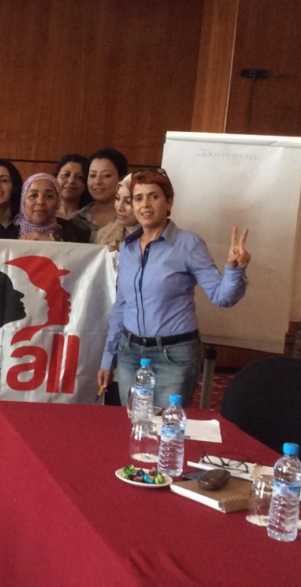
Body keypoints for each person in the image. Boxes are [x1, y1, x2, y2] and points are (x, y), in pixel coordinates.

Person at [97, 170, 251, 408]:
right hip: (129, 353)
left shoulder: (188, 244)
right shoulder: (127, 248)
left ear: (168, 202)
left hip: (173, 356)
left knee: (166, 428)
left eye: (154, 197)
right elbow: (121, 306)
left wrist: (234, 269)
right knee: (133, 423)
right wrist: (108, 359)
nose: (145, 205)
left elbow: (222, 297)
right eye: (138, 198)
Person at [16, 173, 91, 243]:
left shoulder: (71, 231)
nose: (40, 202)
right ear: (23, 201)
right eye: (33, 195)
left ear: (58, 202)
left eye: (49, 196)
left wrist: (53, 240)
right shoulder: (10, 232)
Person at [74, 148, 128, 234]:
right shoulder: (76, 219)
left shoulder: (134, 217)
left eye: (106, 175)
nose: (97, 181)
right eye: (92, 175)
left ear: (123, 179)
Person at [95, 174, 139, 251]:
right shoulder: (104, 234)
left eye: (128, 202)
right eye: (117, 198)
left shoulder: (161, 237)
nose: (119, 207)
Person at [55, 153, 89, 220]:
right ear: (55, 179)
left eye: (79, 177)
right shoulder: (44, 213)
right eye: (66, 175)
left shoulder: (91, 217)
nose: (71, 181)